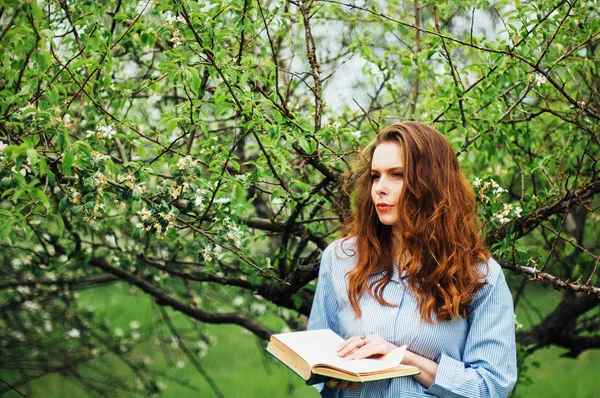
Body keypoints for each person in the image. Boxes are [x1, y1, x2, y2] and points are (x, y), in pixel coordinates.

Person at [307, 121, 517, 397]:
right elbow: (319, 360)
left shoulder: (478, 274)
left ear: (431, 184)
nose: (379, 188)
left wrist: (405, 360)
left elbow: (492, 386)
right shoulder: (340, 259)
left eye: (397, 175)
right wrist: (335, 374)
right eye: (375, 176)